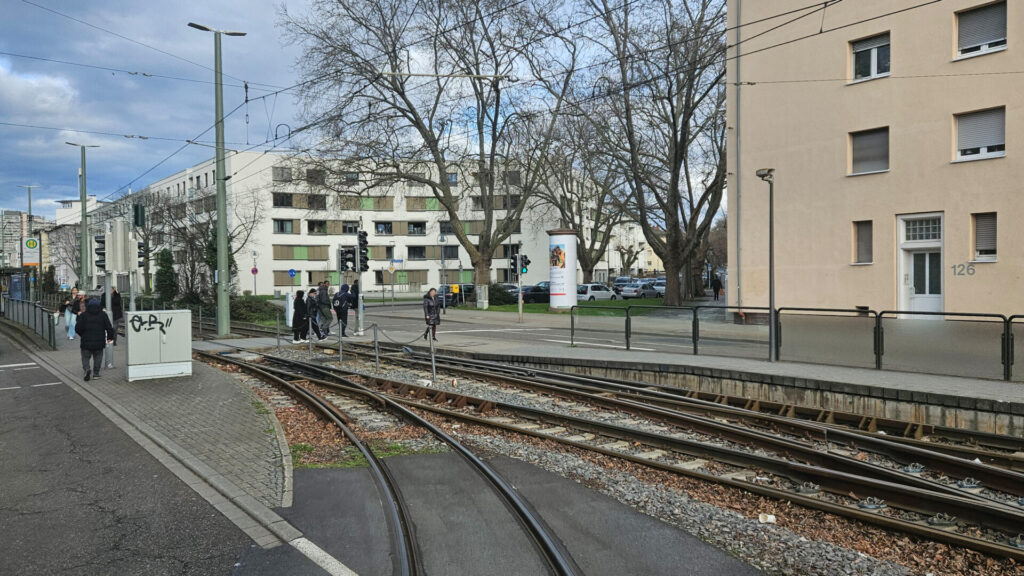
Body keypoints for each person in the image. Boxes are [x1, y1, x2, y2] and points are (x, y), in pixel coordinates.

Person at [75, 297, 115, 381]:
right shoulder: (103, 315)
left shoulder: (83, 315)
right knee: (98, 357)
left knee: (85, 357)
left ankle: (87, 369)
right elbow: (109, 327)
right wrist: (109, 337)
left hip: (86, 341)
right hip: (99, 341)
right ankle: (96, 374)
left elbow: (77, 328)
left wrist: (82, 335)